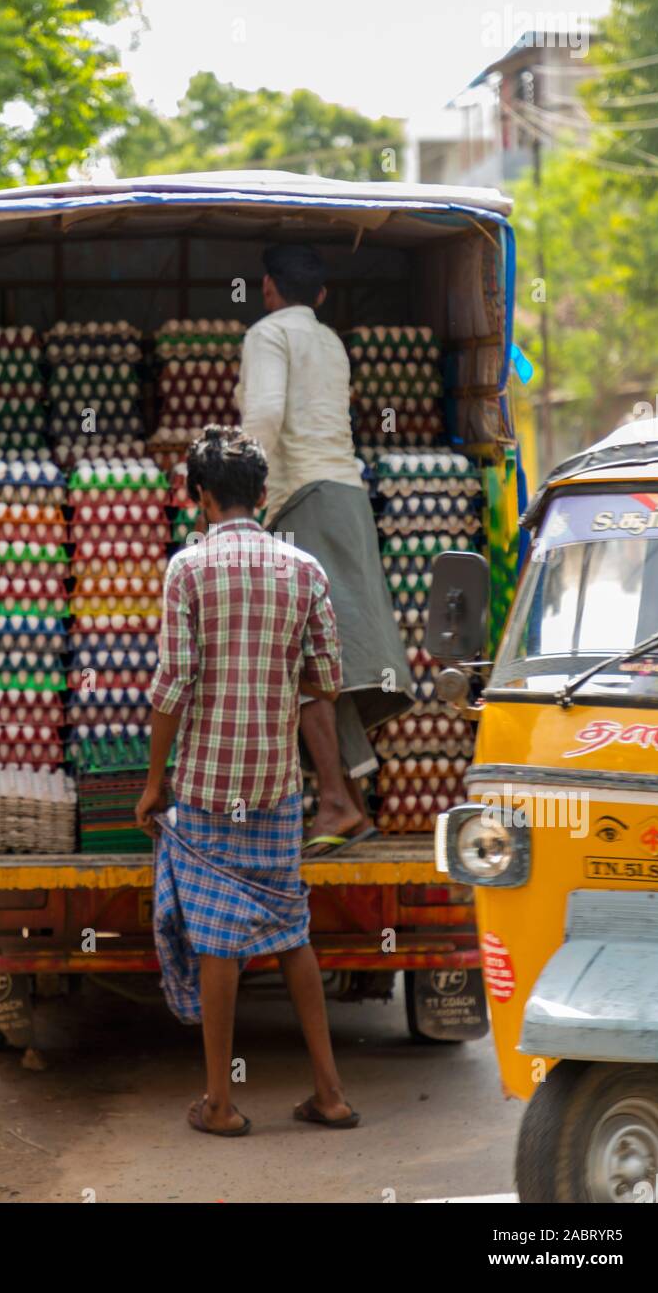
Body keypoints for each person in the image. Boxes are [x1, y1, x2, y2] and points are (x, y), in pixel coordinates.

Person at [136, 426, 359, 1136]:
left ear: (198, 497)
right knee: (291, 929)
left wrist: (153, 782)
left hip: (205, 787)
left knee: (217, 940)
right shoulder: (303, 570)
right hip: (275, 788)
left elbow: (172, 686)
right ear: (264, 497)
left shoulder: (187, 570)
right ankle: (330, 1093)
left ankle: (221, 1104)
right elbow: (327, 681)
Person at [238, 243, 414, 857]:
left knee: (305, 660)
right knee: (329, 654)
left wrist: (244, 490)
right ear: (320, 296)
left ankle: (336, 800)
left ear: (266, 288)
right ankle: (350, 806)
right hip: (345, 495)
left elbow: (262, 414)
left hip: (301, 501)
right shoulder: (331, 342)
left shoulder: (266, 334)